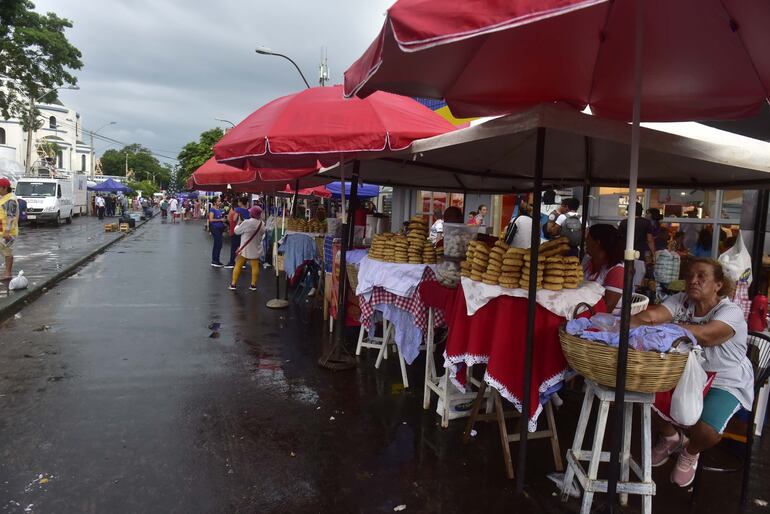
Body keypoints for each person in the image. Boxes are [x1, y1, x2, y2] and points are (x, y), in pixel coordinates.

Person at [631, 258, 753, 488]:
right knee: (641, 394)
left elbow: (707, 335)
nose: (693, 281)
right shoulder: (682, 300)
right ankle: (670, 437)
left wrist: (663, 328)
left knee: (706, 429)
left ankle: (690, 451)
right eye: (689, 276)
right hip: (686, 372)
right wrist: (627, 324)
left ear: (718, 284)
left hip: (725, 379)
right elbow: (652, 316)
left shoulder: (730, 311)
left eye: (701, 276)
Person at [583, 224, 625, 314]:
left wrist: (579, 313)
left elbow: (608, 306)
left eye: (588, 239)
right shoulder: (587, 262)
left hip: (604, 318)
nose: (585, 242)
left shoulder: (617, 270)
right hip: (583, 309)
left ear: (597, 243)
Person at [229, 205, 265, 291]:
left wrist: (238, 224)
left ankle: (233, 284)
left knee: (238, 265)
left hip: (244, 249)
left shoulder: (247, 222)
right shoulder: (262, 224)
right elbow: (263, 234)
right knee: (255, 266)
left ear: (251, 213)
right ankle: (253, 284)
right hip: (256, 248)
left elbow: (236, 231)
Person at [0, 178, 19, 280]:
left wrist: (7, 232)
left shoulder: (10, 199)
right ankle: (7, 273)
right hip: (2, 231)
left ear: (5, 188)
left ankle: (7, 273)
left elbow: (10, 216)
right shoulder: (4, 198)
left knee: (7, 252)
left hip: (8, 232)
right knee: (6, 252)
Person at [225, 197, 250, 269]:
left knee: (234, 247)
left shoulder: (238, 210)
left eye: (239, 202)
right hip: (245, 231)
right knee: (242, 247)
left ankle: (232, 262)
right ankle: (243, 263)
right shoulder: (248, 210)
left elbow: (234, 219)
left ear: (241, 202)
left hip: (238, 230)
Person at [208, 197, 226, 267]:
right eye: (218, 201)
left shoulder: (219, 209)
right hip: (215, 228)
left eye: (220, 201)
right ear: (215, 202)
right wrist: (220, 220)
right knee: (218, 244)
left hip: (219, 228)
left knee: (219, 244)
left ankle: (216, 260)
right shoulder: (212, 209)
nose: (220, 202)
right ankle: (215, 260)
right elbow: (211, 219)